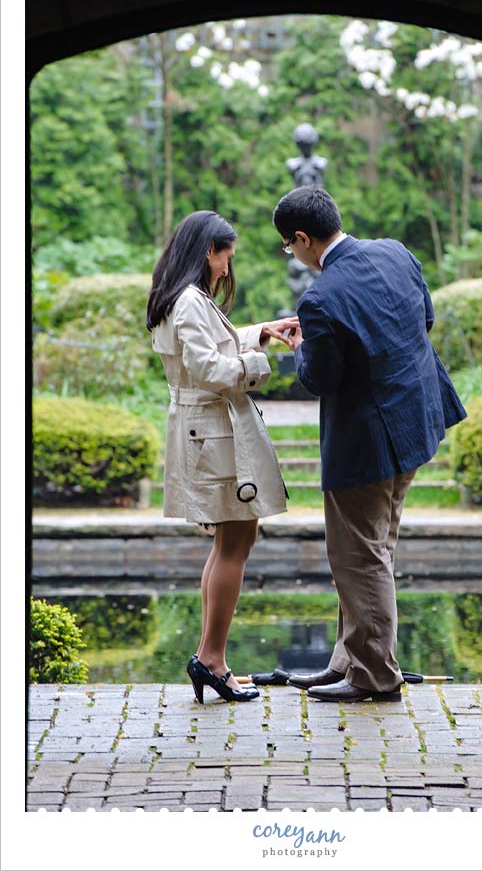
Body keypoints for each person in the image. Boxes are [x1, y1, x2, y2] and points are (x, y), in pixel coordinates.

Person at [272, 186, 467, 703]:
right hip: (417, 422)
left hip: (366, 446)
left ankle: (376, 676)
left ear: (301, 238)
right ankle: (349, 660)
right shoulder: (395, 251)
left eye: (290, 249)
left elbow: (321, 378)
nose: (294, 256)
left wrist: (302, 346)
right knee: (372, 550)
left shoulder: (319, 298)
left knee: (360, 557)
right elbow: (423, 320)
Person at [146, 210, 298, 703]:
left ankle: (213, 657)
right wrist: (259, 364)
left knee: (230, 541)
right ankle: (211, 659)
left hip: (206, 430)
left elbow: (211, 344)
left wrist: (261, 331)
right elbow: (208, 366)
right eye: (225, 258)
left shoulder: (184, 297)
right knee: (236, 539)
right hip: (211, 431)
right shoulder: (190, 299)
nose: (227, 269)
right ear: (207, 251)